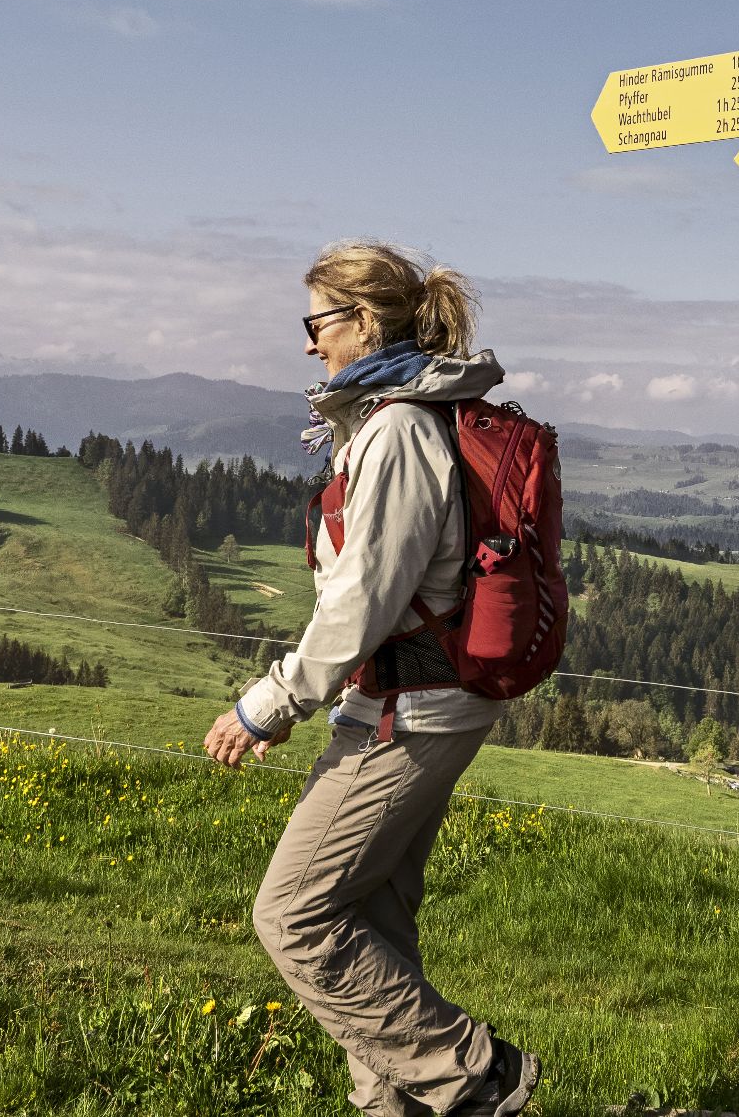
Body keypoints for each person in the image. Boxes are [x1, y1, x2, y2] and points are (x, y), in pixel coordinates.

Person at [202, 240, 538, 1117]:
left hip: (410, 709)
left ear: (360, 320)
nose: (308, 342)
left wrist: (268, 705)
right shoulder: (397, 416)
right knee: (371, 918)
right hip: (410, 700)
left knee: (294, 916)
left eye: (316, 321)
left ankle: (478, 1076)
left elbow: (362, 601)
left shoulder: (397, 430)